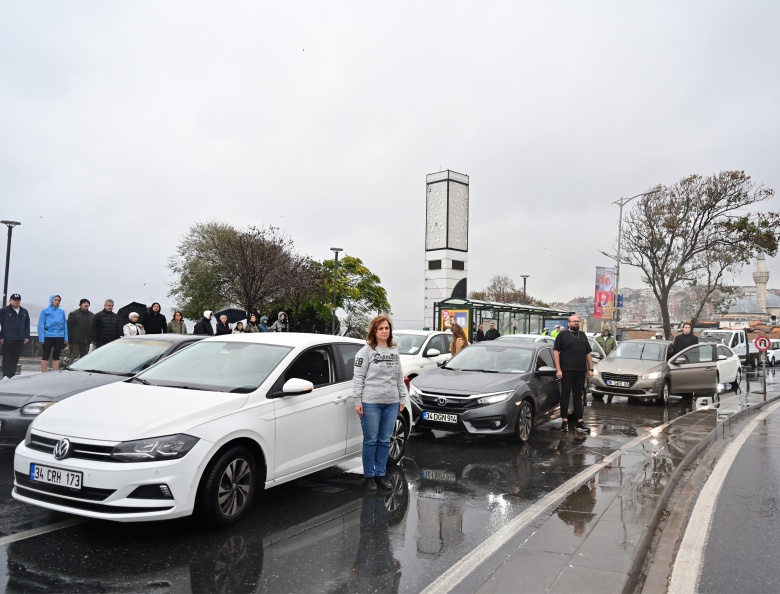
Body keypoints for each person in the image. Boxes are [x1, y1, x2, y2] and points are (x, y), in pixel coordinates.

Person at [353, 315, 406, 491]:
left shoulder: (394, 350)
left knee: (384, 440)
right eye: (381, 328)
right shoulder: (365, 351)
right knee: (371, 440)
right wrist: (357, 401)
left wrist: (402, 398)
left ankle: (381, 475)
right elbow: (358, 378)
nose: (384, 331)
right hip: (371, 403)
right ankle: (369, 476)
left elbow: (399, 376)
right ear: (374, 331)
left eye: (387, 328)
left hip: (391, 403)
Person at [553, 315, 593, 434]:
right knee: (565, 395)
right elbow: (556, 352)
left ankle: (579, 421)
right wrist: (558, 369)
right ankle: (564, 421)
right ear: (568, 323)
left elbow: (588, 353)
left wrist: (591, 368)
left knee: (578, 396)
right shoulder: (562, 335)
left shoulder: (582, 335)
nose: (576, 323)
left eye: (577, 321)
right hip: (566, 371)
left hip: (580, 371)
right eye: (574, 321)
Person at [0, 293, 30, 379]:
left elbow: (27, 324)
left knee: (15, 357)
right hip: (7, 338)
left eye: (18, 300)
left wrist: (27, 336)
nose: (16, 302)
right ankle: (6, 375)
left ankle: (12, 375)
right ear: (10, 301)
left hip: (19, 338)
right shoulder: (4, 311)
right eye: (14, 300)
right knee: (6, 357)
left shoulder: (24, 311)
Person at [38, 294, 68, 373]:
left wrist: (66, 338)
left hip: (59, 335)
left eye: (58, 300)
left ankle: (55, 372)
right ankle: (44, 372)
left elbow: (64, 325)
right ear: (51, 300)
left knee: (57, 355)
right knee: (45, 355)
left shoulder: (62, 311)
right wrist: (41, 338)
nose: (57, 302)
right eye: (55, 300)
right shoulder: (45, 311)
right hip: (48, 335)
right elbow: (41, 324)